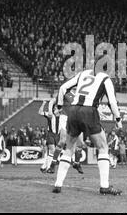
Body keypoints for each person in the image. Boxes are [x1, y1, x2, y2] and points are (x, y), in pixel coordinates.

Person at [52, 55, 122, 195]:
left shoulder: (83, 74)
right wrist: (118, 119)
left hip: (73, 110)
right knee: (102, 147)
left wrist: (59, 106)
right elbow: (112, 102)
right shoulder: (105, 78)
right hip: (89, 111)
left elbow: (62, 88)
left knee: (69, 148)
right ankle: (104, 186)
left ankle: (58, 184)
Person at [39, 92, 85, 174]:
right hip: (58, 126)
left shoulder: (81, 93)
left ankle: (77, 163)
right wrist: (49, 110)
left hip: (73, 121)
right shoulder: (64, 91)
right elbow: (52, 101)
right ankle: (51, 165)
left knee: (80, 143)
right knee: (59, 145)